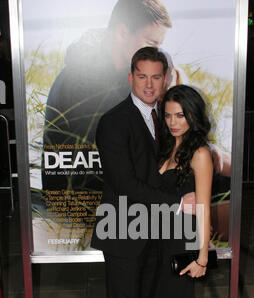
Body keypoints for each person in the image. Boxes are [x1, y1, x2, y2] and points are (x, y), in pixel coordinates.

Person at [91, 47, 196, 298]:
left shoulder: (168, 118)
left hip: (157, 232)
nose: (150, 84)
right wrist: (175, 202)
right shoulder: (114, 122)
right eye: (142, 76)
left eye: (156, 76)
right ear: (130, 77)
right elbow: (125, 184)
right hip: (122, 231)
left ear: (165, 77)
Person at [147, 85, 251, 298]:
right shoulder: (166, 147)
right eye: (168, 115)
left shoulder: (200, 153)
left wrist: (202, 256)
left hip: (183, 243)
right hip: (160, 240)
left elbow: (204, 207)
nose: (173, 121)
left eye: (180, 115)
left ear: (194, 115)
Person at [42, 0, 172, 191]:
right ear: (122, 33)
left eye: (158, 47)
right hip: (81, 203)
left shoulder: (123, 73)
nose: (155, 54)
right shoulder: (85, 80)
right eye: (150, 43)